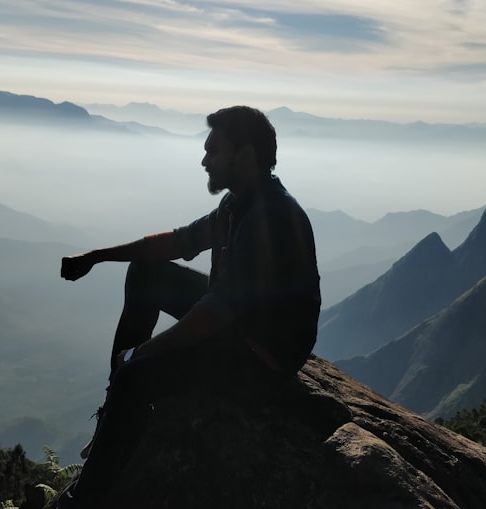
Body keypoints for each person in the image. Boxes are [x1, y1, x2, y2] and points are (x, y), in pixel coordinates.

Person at [56, 105, 320, 506]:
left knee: (134, 378)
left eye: (214, 151)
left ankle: (83, 500)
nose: (204, 160)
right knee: (147, 273)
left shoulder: (272, 219)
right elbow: (176, 243)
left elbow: (216, 313)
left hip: (260, 356)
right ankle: (116, 400)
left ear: (245, 155)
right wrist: (97, 256)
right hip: (242, 326)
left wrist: (140, 355)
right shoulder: (241, 204)